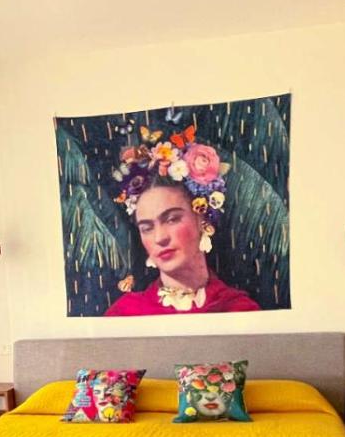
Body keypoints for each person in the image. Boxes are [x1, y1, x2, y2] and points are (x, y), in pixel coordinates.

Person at [103, 127, 261, 316]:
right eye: (147, 228)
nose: (160, 238)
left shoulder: (239, 310)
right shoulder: (125, 313)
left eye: (172, 219)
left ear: (202, 217)